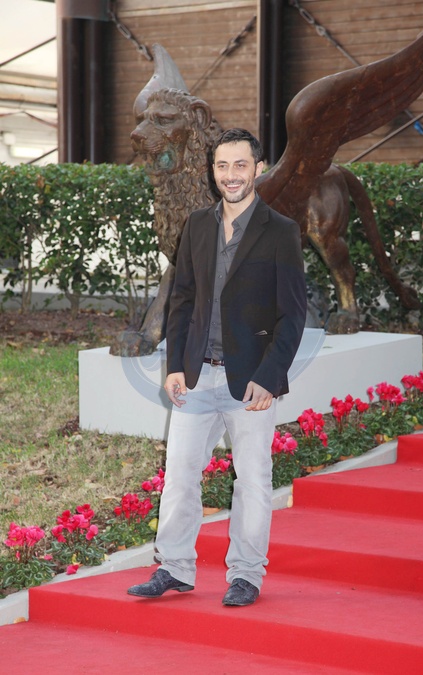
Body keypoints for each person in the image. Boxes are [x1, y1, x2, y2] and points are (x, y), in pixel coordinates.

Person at [127, 128, 307, 606]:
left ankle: (246, 575)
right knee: (180, 474)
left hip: (250, 381)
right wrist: (175, 364)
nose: (231, 175)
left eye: (240, 165)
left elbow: (293, 315)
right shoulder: (197, 225)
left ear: (258, 168)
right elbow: (182, 300)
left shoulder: (281, 231)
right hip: (196, 376)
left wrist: (270, 377)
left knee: (252, 479)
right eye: (223, 166)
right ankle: (174, 568)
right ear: (213, 171)